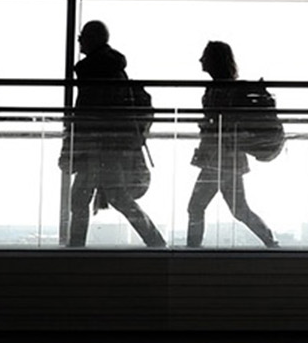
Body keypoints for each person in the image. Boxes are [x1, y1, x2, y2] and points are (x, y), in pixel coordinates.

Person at [60, 20, 166, 247]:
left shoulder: (92, 72)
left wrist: (70, 149)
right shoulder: (113, 70)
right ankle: (156, 242)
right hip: (113, 148)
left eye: (82, 35)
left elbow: (83, 117)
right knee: (116, 197)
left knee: (82, 199)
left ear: (91, 39)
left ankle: (75, 248)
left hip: (96, 148)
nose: (79, 39)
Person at [186, 41, 278, 248]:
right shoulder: (229, 89)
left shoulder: (218, 90)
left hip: (218, 156)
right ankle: (270, 242)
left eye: (205, 56)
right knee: (238, 209)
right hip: (228, 156)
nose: (201, 60)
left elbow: (220, 122)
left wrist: (207, 124)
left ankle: (192, 250)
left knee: (196, 207)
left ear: (214, 61)